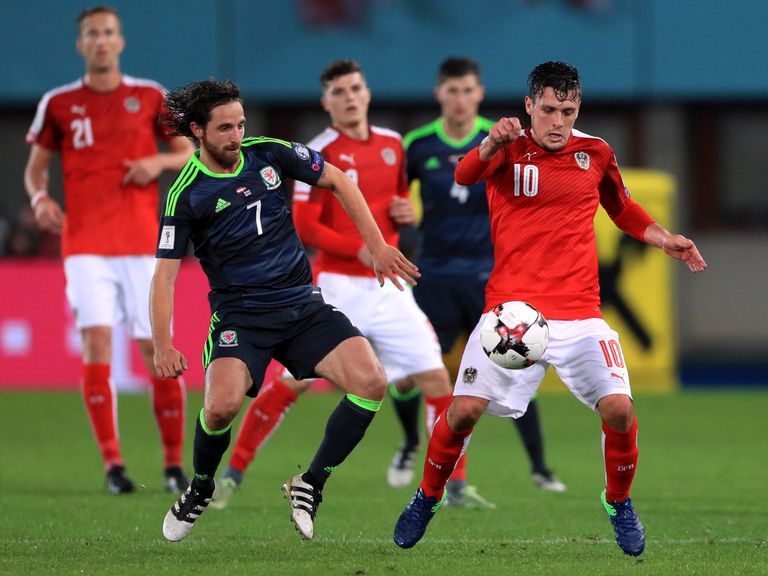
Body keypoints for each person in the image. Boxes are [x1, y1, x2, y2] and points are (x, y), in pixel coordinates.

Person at [393, 61, 707, 557]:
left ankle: (618, 502)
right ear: (529, 105)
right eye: (548, 110)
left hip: (580, 313)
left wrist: (663, 238)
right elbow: (464, 173)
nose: (558, 121)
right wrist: (490, 144)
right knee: (463, 410)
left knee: (620, 409)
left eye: (568, 111)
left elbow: (622, 208)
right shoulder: (508, 146)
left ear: (577, 108)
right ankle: (427, 497)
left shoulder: (596, 152)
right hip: (512, 313)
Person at [211, 60, 493, 511]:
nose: (349, 97)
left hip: (388, 285)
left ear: (367, 94)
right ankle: (232, 474)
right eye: (339, 92)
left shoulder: (393, 144)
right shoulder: (319, 150)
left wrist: (404, 214)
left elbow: (394, 205)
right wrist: (360, 249)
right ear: (326, 102)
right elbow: (306, 226)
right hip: (337, 285)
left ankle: (455, 486)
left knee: (437, 378)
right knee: (294, 383)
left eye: (355, 88)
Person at [152, 78, 419, 543]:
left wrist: (377, 246)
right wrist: (162, 344)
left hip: (301, 304)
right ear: (197, 130)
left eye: (240, 125)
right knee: (220, 408)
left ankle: (310, 483)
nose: (236, 136)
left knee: (372, 382)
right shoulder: (186, 193)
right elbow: (164, 277)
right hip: (241, 317)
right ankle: (201, 486)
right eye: (224, 129)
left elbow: (339, 180)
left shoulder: (270, 153)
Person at [23, 5, 194, 495]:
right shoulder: (58, 103)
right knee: (97, 345)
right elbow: (35, 170)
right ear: (81, 44)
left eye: (109, 33)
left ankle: (173, 465)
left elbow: (187, 151)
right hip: (85, 246)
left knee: (157, 349)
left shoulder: (150, 95)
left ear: (121, 42)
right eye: (92, 34)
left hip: (141, 246)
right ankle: (114, 466)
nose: (101, 40)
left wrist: (156, 163)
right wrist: (40, 199)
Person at [396, 56, 565, 493]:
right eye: (452, 90)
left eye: (468, 90)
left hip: (490, 276)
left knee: (518, 362)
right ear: (440, 93)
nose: (460, 98)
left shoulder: (502, 138)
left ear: (480, 93)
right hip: (433, 273)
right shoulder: (418, 144)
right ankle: (410, 442)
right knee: (409, 372)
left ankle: (541, 468)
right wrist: (399, 216)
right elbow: (393, 200)